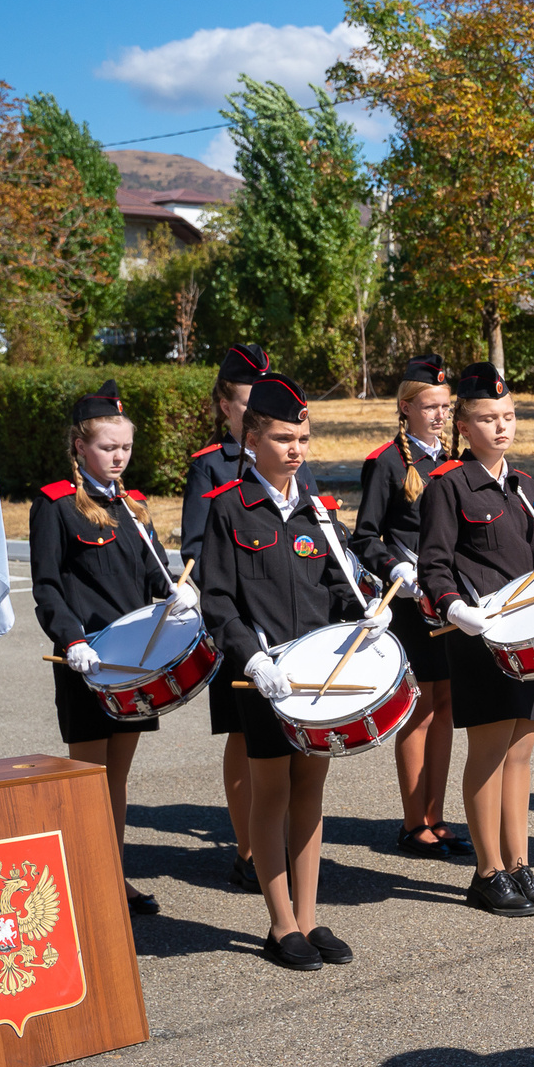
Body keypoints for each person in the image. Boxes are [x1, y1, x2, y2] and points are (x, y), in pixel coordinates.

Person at [198, 373, 377, 970]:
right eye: (281, 437)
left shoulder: (319, 511)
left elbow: (339, 585)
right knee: (272, 793)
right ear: (251, 438)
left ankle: (310, 915)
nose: (295, 448)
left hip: (317, 677)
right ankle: (279, 924)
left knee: (312, 793)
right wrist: (249, 655)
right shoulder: (229, 508)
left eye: (302, 436)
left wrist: (365, 613)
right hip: (263, 676)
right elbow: (218, 599)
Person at [418, 362, 534, 916]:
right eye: (488, 418)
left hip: (528, 639)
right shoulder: (448, 485)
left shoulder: (525, 484)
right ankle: (487, 871)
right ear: (463, 427)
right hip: (480, 638)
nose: (501, 426)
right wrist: (454, 608)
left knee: (521, 752)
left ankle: (518, 861)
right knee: (489, 753)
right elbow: (433, 567)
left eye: (508, 416)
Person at [32, 381, 192, 916]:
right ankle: (83, 881)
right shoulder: (55, 505)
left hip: (133, 662)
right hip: (88, 659)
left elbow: (153, 573)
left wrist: (177, 592)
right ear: (80, 446)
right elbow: (48, 586)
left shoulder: (135, 504)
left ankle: (112, 874)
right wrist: (70, 638)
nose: (118, 456)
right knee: (87, 778)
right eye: (107, 447)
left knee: (117, 779)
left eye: (124, 447)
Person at [184, 342, 317, 893]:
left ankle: (282, 866)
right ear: (232, 413)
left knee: (300, 774)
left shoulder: (302, 484)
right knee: (246, 740)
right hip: (245, 639)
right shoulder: (214, 476)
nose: (293, 446)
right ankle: (248, 849)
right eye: (244, 403)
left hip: (298, 646)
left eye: (301, 436)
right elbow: (201, 552)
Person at [352, 354, 464, 861]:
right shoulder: (388, 463)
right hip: (410, 599)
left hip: (451, 598)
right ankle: (412, 821)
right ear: (405, 408)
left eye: (445, 406)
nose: (439, 415)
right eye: (429, 407)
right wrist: (395, 564)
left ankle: (437, 817)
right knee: (420, 708)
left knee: (446, 707)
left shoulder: (454, 460)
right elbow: (364, 536)